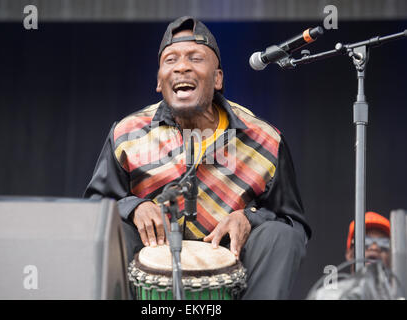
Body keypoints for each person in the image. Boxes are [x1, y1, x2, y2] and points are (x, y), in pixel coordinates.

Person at [84, 16, 311, 299]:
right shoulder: (128, 134)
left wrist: (250, 219)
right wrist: (133, 207)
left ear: (217, 78)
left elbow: (294, 224)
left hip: (231, 274)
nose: (181, 66)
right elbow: (93, 209)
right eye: (171, 60)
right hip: (149, 281)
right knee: (112, 225)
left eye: (195, 58)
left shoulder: (264, 139)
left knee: (280, 235)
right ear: (159, 81)